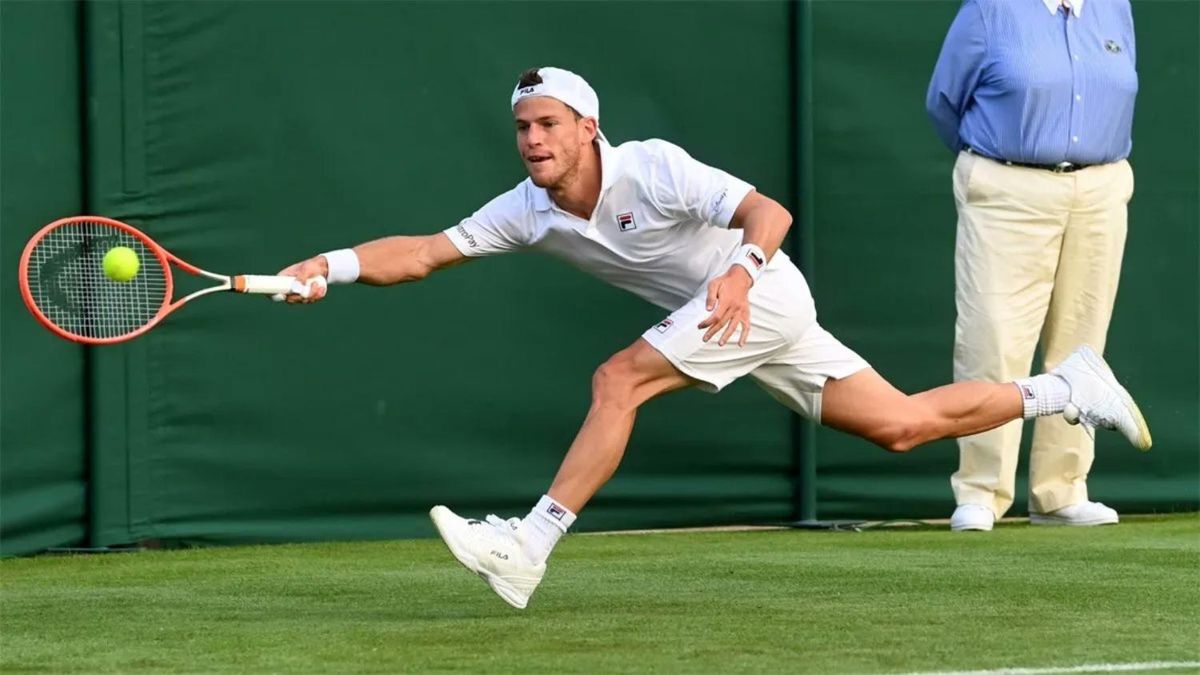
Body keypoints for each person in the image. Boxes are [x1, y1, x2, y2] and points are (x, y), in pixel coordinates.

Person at [281, 67, 1150, 609]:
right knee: (900, 424)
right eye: (522, 128)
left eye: (548, 124)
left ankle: (528, 544)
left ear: (589, 127)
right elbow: (425, 252)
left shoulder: (652, 166)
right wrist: (328, 264)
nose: (533, 140)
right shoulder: (529, 208)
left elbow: (767, 211)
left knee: (617, 379)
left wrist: (737, 272)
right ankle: (1066, 387)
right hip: (740, 315)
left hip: (758, 293)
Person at [926, 0, 1141, 532]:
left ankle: (1061, 491)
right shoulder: (989, 11)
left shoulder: (1115, 8)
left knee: (1083, 341)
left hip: (1100, 188)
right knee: (993, 337)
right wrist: (1006, 160)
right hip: (1007, 185)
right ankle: (981, 490)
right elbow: (944, 102)